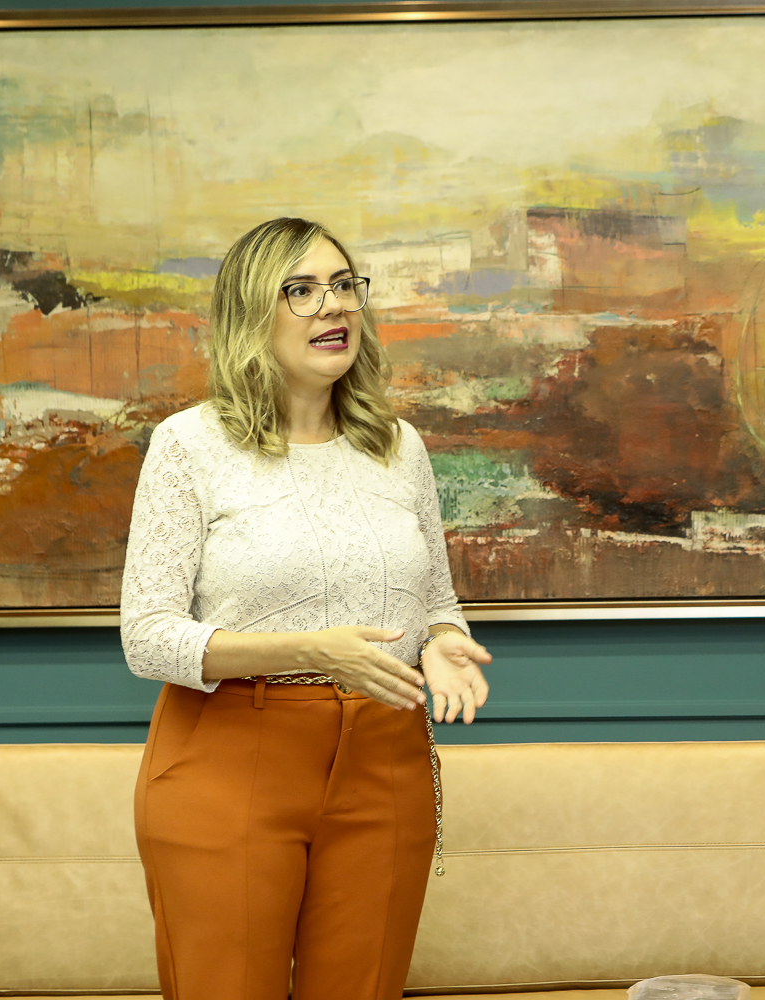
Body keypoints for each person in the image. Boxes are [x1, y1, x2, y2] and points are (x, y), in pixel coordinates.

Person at [120, 217, 492, 1000]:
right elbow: (148, 638)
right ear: (250, 315)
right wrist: (310, 650)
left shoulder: (399, 446)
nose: (334, 306)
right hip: (229, 761)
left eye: (344, 285)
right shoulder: (189, 445)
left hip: (386, 760)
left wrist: (442, 639)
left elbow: (436, 598)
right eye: (302, 290)